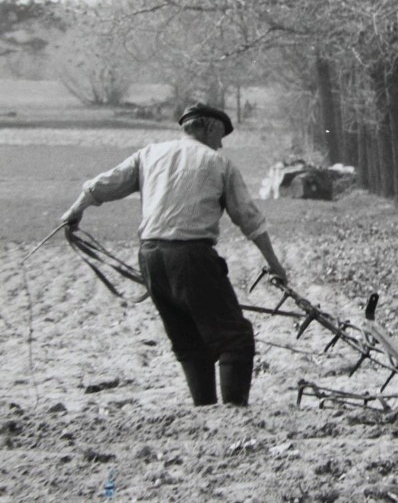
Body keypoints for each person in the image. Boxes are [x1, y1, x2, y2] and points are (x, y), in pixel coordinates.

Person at [60, 102, 288, 407]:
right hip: (192, 256)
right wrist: (274, 264)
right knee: (235, 339)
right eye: (220, 134)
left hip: (151, 258)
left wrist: (75, 211)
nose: (221, 143)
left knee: (190, 343)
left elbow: (105, 184)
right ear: (208, 126)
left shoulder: (150, 154)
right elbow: (248, 218)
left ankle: (204, 411)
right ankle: (236, 415)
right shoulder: (219, 163)